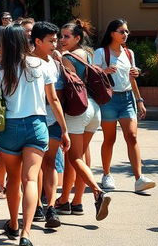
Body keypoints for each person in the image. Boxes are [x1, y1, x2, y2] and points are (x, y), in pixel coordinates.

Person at [0, 24, 70, 246]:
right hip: (37, 125)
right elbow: (53, 100)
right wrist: (64, 129)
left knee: (14, 180)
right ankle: (26, 233)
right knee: (31, 179)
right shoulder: (39, 64)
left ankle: (13, 224)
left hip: (10, 128)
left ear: (4, 44)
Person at [54, 21, 112, 220]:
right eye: (61, 36)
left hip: (78, 111)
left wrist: (58, 59)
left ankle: (98, 193)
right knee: (80, 159)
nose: (62, 40)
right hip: (94, 109)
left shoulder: (67, 57)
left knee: (75, 159)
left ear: (77, 38)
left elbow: (64, 87)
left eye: (66, 37)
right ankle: (74, 202)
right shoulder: (87, 53)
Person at [93, 18, 156, 193]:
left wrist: (140, 99)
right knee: (110, 139)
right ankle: (106, 175)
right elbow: (92, 75)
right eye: (122, 31)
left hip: (128, 98)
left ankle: (139, 178)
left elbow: (132, 78)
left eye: (127, 31)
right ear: (112, 33)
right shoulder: (101, 52)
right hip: (109, 100)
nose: (125, 34)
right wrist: (104, 71)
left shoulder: (129, 53)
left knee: (133, 136)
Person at [30, 22, 67, 228]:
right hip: (33, 121)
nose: (56, 43)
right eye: (51, 40)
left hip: (51, 120)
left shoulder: (53, 62)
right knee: (34, 167)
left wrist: (63, 127)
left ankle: (51, 207)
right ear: (37, 41)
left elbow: (54, 98)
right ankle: (36, 206)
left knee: (50, 162)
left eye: (56, 39)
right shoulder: (25, 62)